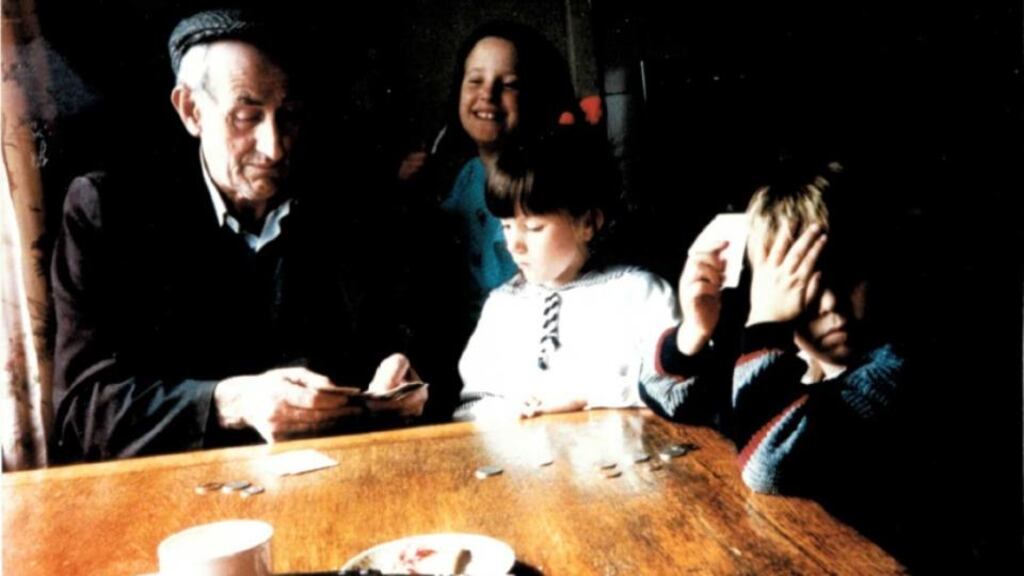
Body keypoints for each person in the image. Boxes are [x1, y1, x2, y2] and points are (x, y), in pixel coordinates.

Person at [49, 9, 431, 462]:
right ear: (191, 110)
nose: (274, 147)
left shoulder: (351, 199)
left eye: (288, 115)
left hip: (339, 475)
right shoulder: (111, 209)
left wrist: (406, 373)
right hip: (178, 493)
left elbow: (416, 335)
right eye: (247, 117)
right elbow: (83, 411)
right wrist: (232, 404)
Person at [454, 128, 678, 420]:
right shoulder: (502, 305)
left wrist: (586, 397)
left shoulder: (638, 293)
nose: (514, 245)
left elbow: (674, 390)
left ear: (588, 223)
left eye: (534, 228)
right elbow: (473, 403)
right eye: (507, 227)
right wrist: (507, 410)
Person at [400, 21, 581, 323]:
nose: (487, 94)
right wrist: (406, 190)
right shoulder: (469, 175)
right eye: (475, 81)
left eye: (508, 84)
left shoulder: (549, 185)